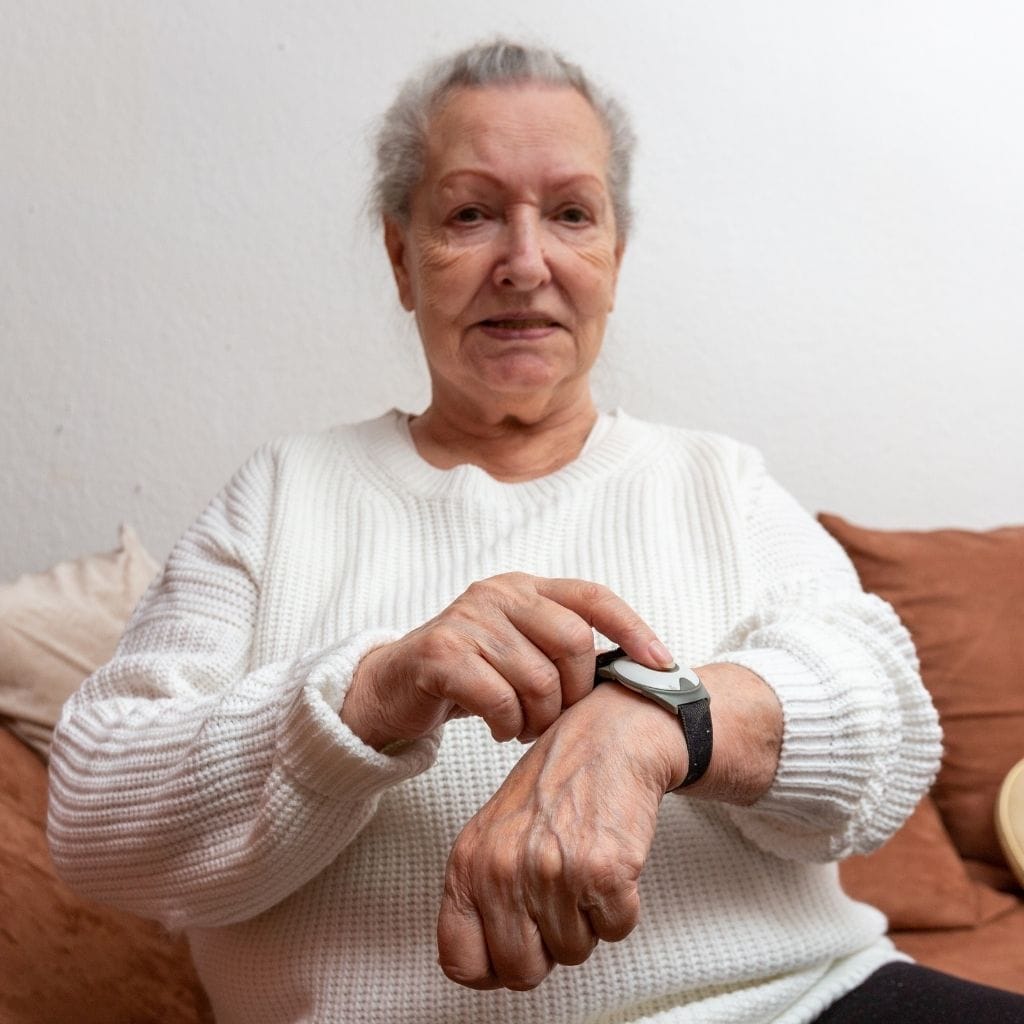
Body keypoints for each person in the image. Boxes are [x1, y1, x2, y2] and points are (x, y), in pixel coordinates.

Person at [46, 39, 1023, 1024]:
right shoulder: (280, 494)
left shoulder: (712, 478)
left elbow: (888, 723)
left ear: (612, 257)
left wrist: (654, 722)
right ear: (401, 256)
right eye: (471, 214)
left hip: (801, 1006)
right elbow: (93, 816)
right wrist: (371, 692)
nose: (524, 263)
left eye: (569, 214)